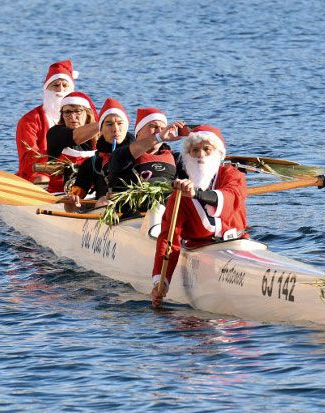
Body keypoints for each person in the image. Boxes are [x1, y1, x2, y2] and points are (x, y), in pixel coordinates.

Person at [150, 126, 248, 308]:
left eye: (206, 149)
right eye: (194, 150)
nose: (200, 155)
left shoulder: (232, 175)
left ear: (218, 154)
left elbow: (230, 198)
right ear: (187, 156)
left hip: (239, 246)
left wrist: (196, 194)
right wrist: (160, 282)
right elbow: (169, 239)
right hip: (203, 253)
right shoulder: (180, 195)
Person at [15, 59, 78, 185]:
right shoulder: (29, 121)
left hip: (75, 173)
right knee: (42, 179)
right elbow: (28, 159)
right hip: (40, 175)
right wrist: (60, 165)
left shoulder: (82, 117)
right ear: (46, 89)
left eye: (65, 86)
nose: (60, 90)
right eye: (55, 85)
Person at [65, 98, 134, 208]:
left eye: (120, 123)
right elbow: (69, 207)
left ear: (127, 125)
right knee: (102, 201)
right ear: (100, 129)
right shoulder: (91, 163)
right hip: (102, 210)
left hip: (137, 210)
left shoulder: (141, 155)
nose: (115, 129)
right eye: (109, 124)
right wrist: (72, 202)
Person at [107, 107, 186, 193]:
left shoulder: (176, 158)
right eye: (154, 127)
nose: (159, 131)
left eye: (163, 129)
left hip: (168, 204)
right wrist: (159, 138)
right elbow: (119, 157)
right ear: (138, 131)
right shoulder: (120, 156)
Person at [45, 91, 99, 193]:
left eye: (78, 111)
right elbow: (76, 136)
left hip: (93, 193)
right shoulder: (55, 133)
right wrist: (105, 123)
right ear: (62, 115)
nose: (72, 117)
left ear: (88, 114)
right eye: (67, 112)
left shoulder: (100, 138)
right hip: (61, 193)